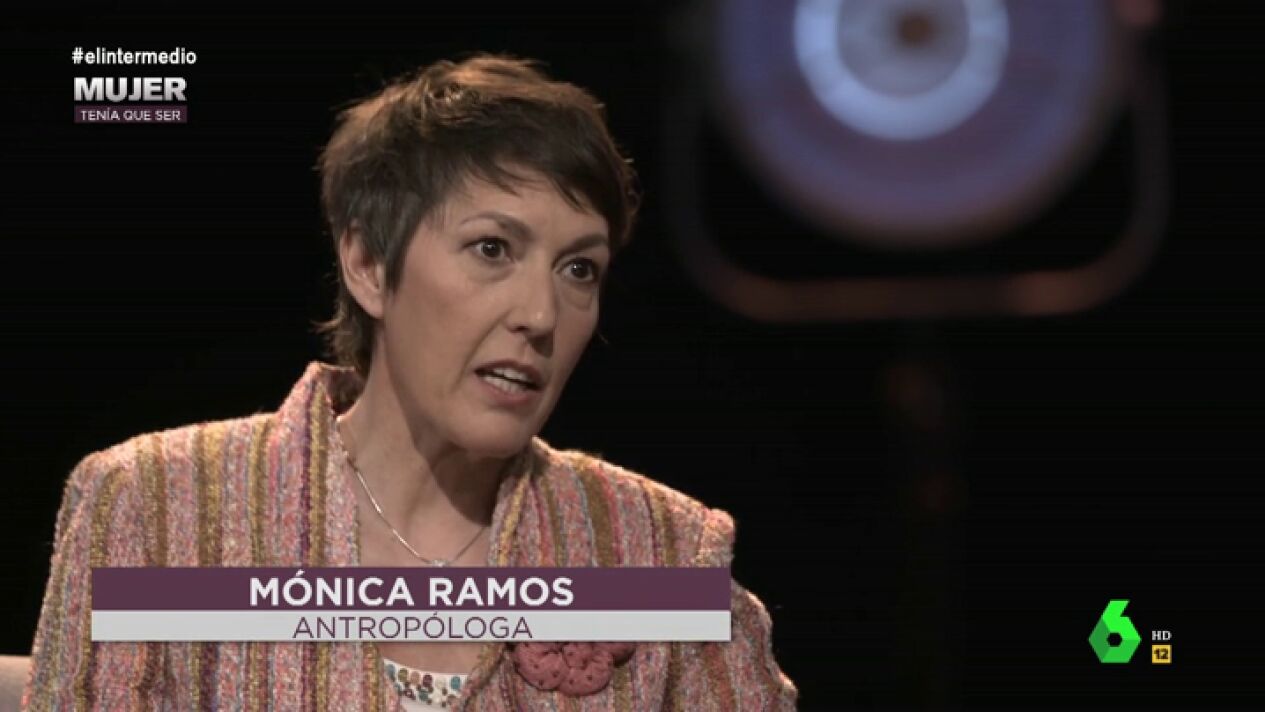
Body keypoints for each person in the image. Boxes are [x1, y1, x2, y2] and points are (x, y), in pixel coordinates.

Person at [23, 55, 797, 710]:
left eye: (578, 269)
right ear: (367, 264)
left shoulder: (663, 554)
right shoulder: (156, 509)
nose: (539, 314)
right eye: (492, 248)